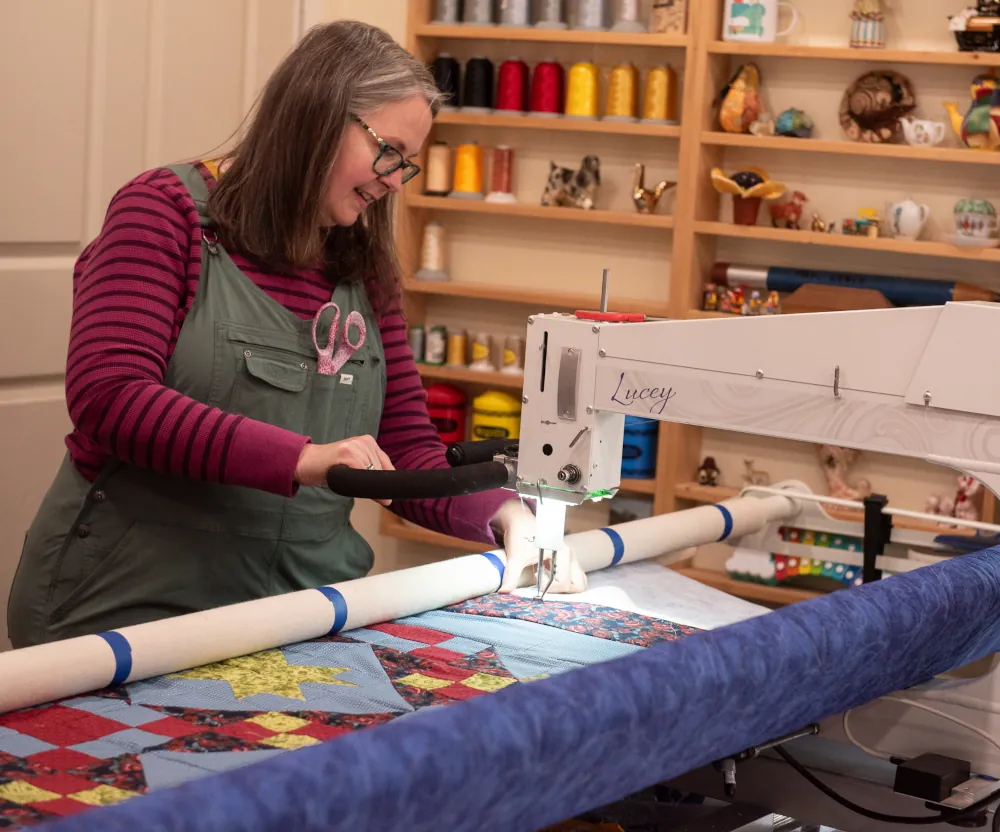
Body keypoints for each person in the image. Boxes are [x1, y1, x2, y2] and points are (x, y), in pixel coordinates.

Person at [6, 20, 585, 649]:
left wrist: (500, 512)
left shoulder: (363, 265)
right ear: (314, 117)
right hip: (128, 608)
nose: (395, 179)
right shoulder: (163, 212)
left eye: (407, 164)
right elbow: (110, 397)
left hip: (301, 613)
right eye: (388, 151)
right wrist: (305, 460)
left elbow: (404, 449)